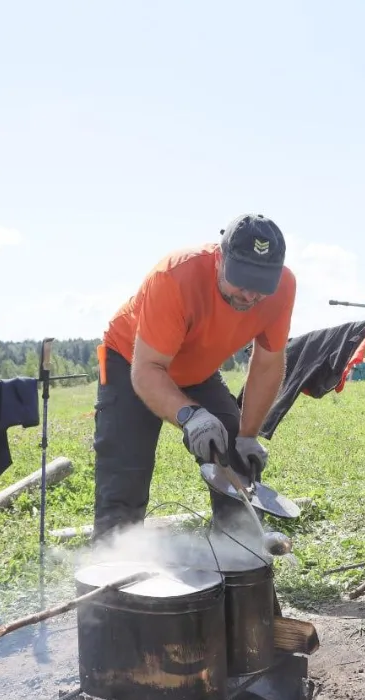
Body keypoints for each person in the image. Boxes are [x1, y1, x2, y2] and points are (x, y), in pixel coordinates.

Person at [92, 213, 297, 543]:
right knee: (125, 475)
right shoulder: (176, 276)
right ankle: (110, 581)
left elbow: (268, 363)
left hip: (197, 368)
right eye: (241, 279)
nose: (249, 294)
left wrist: (247, 435)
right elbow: (147, 371)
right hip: (131, 361)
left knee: (235, 458)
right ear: (221, 256)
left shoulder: (283, 288)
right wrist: (189, 415)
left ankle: (239, 562)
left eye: (261, 286)